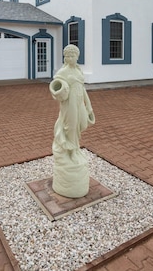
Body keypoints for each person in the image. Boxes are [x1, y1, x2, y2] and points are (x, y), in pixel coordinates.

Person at [49, 44, 95, 198]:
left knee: (82, 124)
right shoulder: (63, 72)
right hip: (69, 104)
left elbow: (82, 89)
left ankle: (74, 147)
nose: (69, 58)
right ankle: (72, 151)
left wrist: (89, 107)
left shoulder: (78, 71)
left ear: (77, 56)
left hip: (79, 100)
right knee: (71, 126)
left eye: (72, 55)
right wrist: (58, 91)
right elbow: (55, 90)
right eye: (67, 56)